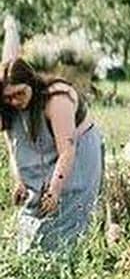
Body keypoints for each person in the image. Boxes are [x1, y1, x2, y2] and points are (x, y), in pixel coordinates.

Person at [1, 58, 104, 254]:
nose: (15, 101)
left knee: (67, 207)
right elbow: (12, 146)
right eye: (8, 97)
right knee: (34, 206)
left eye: (20, 93)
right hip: (46, 145)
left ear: (31, 83)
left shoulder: (57, 99)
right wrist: (19, 181)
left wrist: (54, 191)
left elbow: (67, 150)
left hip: (78, 148)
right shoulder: (9, 107)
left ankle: (65, 265)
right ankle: (33, 258)